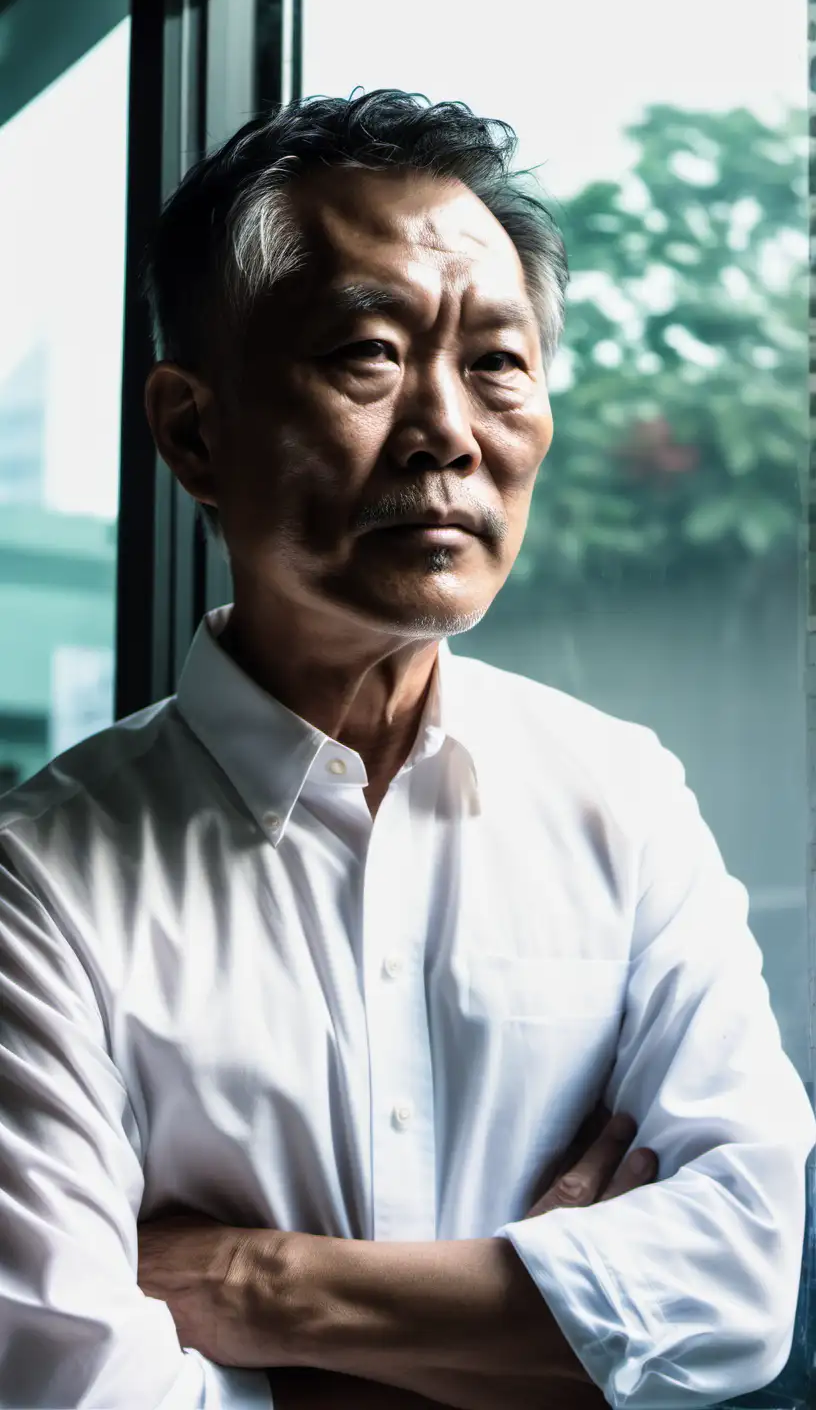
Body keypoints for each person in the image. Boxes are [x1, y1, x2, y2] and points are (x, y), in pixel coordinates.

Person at [0, 89, 813, 1410]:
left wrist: (268, 1297)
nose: (450, 431)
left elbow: (744, 1286)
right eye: (369, 355)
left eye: (495, 361)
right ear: (193, 431)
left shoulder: (623, 798)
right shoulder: (38, 884)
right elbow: (73, 1390)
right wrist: (534, 1337)